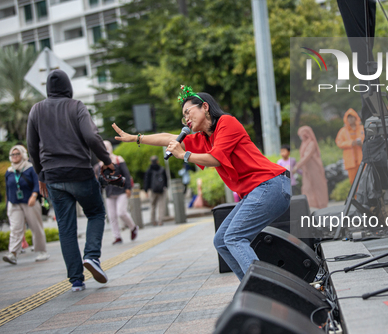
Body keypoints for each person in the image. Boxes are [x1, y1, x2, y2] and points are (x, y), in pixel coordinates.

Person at [112, 86, 290, 280]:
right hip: (257, 191)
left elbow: (216, 159)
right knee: (221, 241)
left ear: (205, 107)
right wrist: (136, 138)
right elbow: (166, 137)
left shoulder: (226, 123)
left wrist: (184, 155)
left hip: (270, 185)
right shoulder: (203, 138)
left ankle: (263, 289)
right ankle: (250, 290)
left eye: (188, 112)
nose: (186, 119)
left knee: (234, 238)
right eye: (184, 117)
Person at [27, 70, 112, 291]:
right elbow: (92, 136)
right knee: (95, 213)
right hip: (79, 172)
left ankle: (76, 280)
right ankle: (92, 256)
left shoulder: (36, 110)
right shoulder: (76, 106)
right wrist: (106, 160)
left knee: (65, 227)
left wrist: (41, 175)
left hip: (53, 177)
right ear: (68, 87)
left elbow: (31, 147)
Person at [3, 145, 49, 265]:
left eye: (17, 154)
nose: (15, 156)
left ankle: (41, 251)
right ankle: (12, 253)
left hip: (30, 202)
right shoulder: (9, 171)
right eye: (12, 154)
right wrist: (8, 203)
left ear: (23, 155)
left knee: (36, 226)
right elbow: (8, 189)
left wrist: (34, 196)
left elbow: (37, 183)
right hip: (14, 203)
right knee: (15, 228)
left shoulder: (30, 168)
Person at [99, 141, 138, 245]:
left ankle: (133, 227)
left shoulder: (118, 159)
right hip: (109, 192)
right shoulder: (101, 163)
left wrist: (128, 188)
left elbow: (127, 174)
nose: (105, 149)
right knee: (112, 216)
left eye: (106, 147)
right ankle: (117, 237)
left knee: (121, 212)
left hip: (121, 190)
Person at [294, 126, 329, 209]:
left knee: (318, 187)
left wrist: (297, 166)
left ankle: (322, 205)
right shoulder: (304, 143)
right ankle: (310, 205)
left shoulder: (311, 143)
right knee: (307, 187)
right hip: (307, 170)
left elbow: (306, 156)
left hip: (314, 169)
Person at [335, 109, 365, 184]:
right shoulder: (343, 131)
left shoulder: (362, 128)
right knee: (354, 182)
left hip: (362, 159)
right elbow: (339, 143)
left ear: (356, 118)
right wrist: (351, 143)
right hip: (351, 161)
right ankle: (356, 196)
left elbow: (368, 140)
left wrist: (362, 144)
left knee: (365, 179)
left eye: (352, 117)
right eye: (349, 117)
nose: (350, 119)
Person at [143, 156, 167, 226]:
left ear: (151, 162)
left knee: (153, 205)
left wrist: (146, 190)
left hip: (153, 190)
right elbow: (165, 179)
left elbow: (146, 181)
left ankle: (153, 221)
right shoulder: (162, 169)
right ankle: (160, 221)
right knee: (161, 205)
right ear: (157, 161)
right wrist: (165, 187)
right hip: (161, 190)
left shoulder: (149, 170)